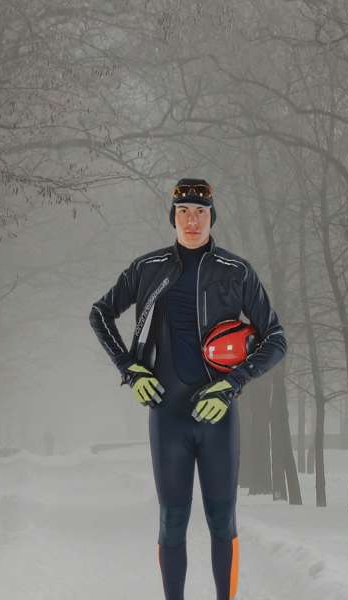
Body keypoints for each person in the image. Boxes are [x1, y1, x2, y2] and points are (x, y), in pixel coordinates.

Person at [88, 178, 286, 600]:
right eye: (183, 212)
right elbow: (100, 313)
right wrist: (130, 369)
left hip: (218, 416)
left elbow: (276, 338)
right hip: (167, 415)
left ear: (212, 217)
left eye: (200, 212)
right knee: (172, 521)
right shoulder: (147, 268)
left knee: (222, 521)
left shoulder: (236, 271)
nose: (192, 220)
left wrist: (232, 383)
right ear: (172, 217)